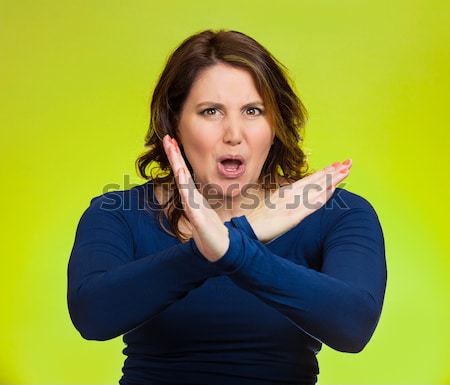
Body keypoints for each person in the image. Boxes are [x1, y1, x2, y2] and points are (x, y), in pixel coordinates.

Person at [67, 29, 387, 385]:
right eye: (211, 111)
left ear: (276, 125)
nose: (233, 133)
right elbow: (93, 315)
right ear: (174, 123)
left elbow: (353, 326)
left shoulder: (339, 214)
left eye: (253, 110)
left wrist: (234, 248)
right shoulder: (117, 212)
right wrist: (211, 250)